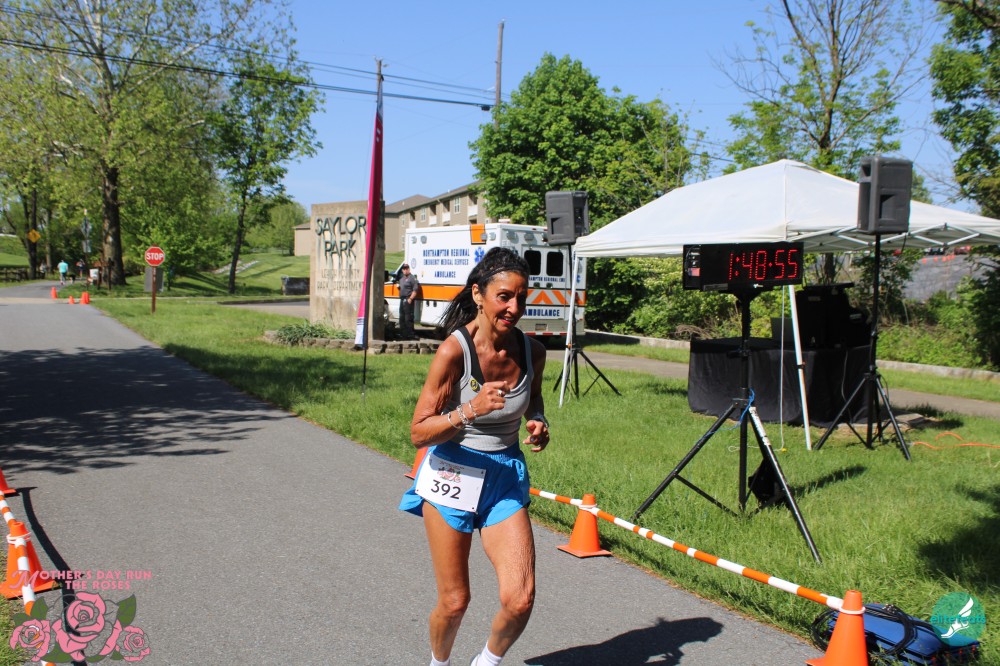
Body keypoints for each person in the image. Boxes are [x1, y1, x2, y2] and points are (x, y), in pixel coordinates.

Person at [400, 247, 550, 666]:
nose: (514, 308)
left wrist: (537, 420)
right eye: (504, 296)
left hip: (504, 476)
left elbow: (534, 398)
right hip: (453, 472)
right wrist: (469, 410)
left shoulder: (533, 351)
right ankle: (439, 663)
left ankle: (486, 662)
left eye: (521, 297)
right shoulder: (454, 351)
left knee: (520, 599)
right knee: (454, 602)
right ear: (479, 295)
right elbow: (418, 432)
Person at [398, 263, 420, 340]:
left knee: (408, 318)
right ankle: (403, 334)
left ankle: (411, 334)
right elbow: (401, 288)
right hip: (402, 299)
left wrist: (410, 298)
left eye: (407, 268)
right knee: (402, 318)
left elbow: (415, 290)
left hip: (408, 299)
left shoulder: (412, 278)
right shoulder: (401, 279)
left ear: (409, 269)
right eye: (404, 269)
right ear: (402, 270)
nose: (405, 270)